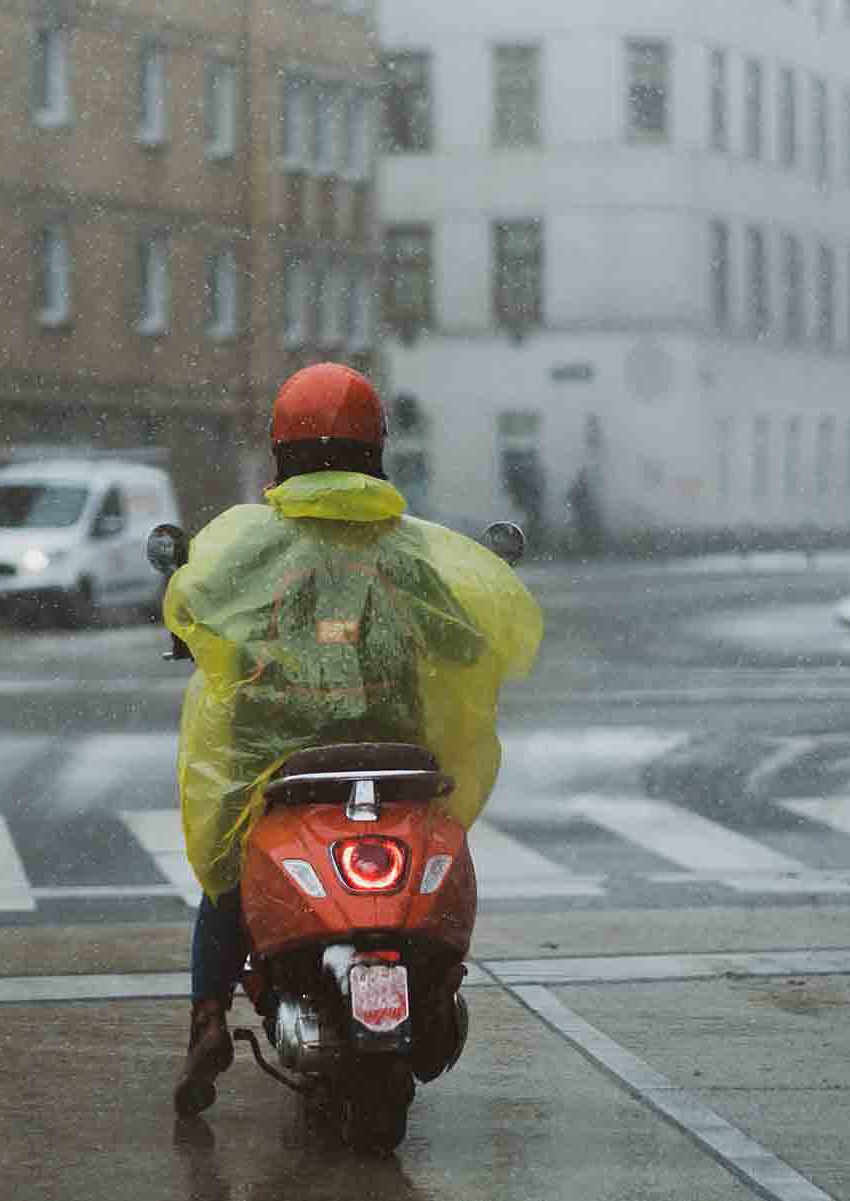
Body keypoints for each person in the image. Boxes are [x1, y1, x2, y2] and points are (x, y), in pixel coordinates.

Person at [162, 363, 543, 1116]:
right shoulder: (404, 554)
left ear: (281, 449)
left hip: (278, 768)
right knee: (430, 866)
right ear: (375, 448)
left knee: (227, 884)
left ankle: (208, 1018)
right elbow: (464, 642)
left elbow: (195, 610)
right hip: (394, 763)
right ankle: (434, 981)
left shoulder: (248, 549)